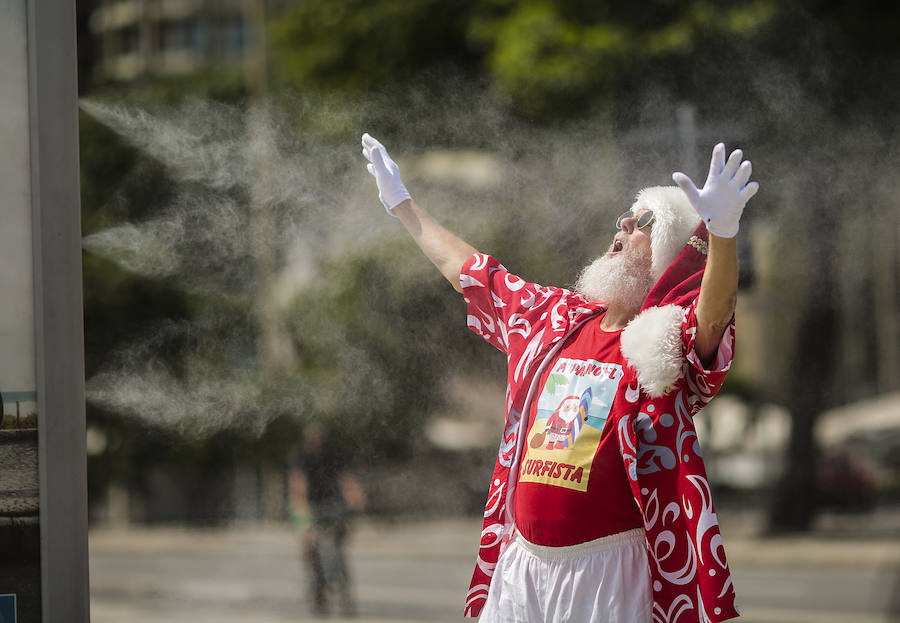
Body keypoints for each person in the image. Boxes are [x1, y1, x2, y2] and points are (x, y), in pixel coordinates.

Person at [360, 133, 757, 622]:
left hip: (608, 571)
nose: (625, 223)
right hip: (521, 562)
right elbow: (470, 271)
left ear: (668, 257)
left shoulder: (663, 342)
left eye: (645, 222)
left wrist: (722, 233)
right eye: (628, 216)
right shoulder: (556, 318)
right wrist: (403, 204)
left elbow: (714, 316)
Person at [289, 422, 366, 617]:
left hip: (333, 506)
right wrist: (305, 518)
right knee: (311, 550)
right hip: (310, 507)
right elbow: (298, 487)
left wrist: (356, 498)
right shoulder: (301, 457)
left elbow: (347, 481)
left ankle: (345, 595)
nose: (317, 443)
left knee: (338, 547)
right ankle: (318, 594)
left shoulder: (334, 455)